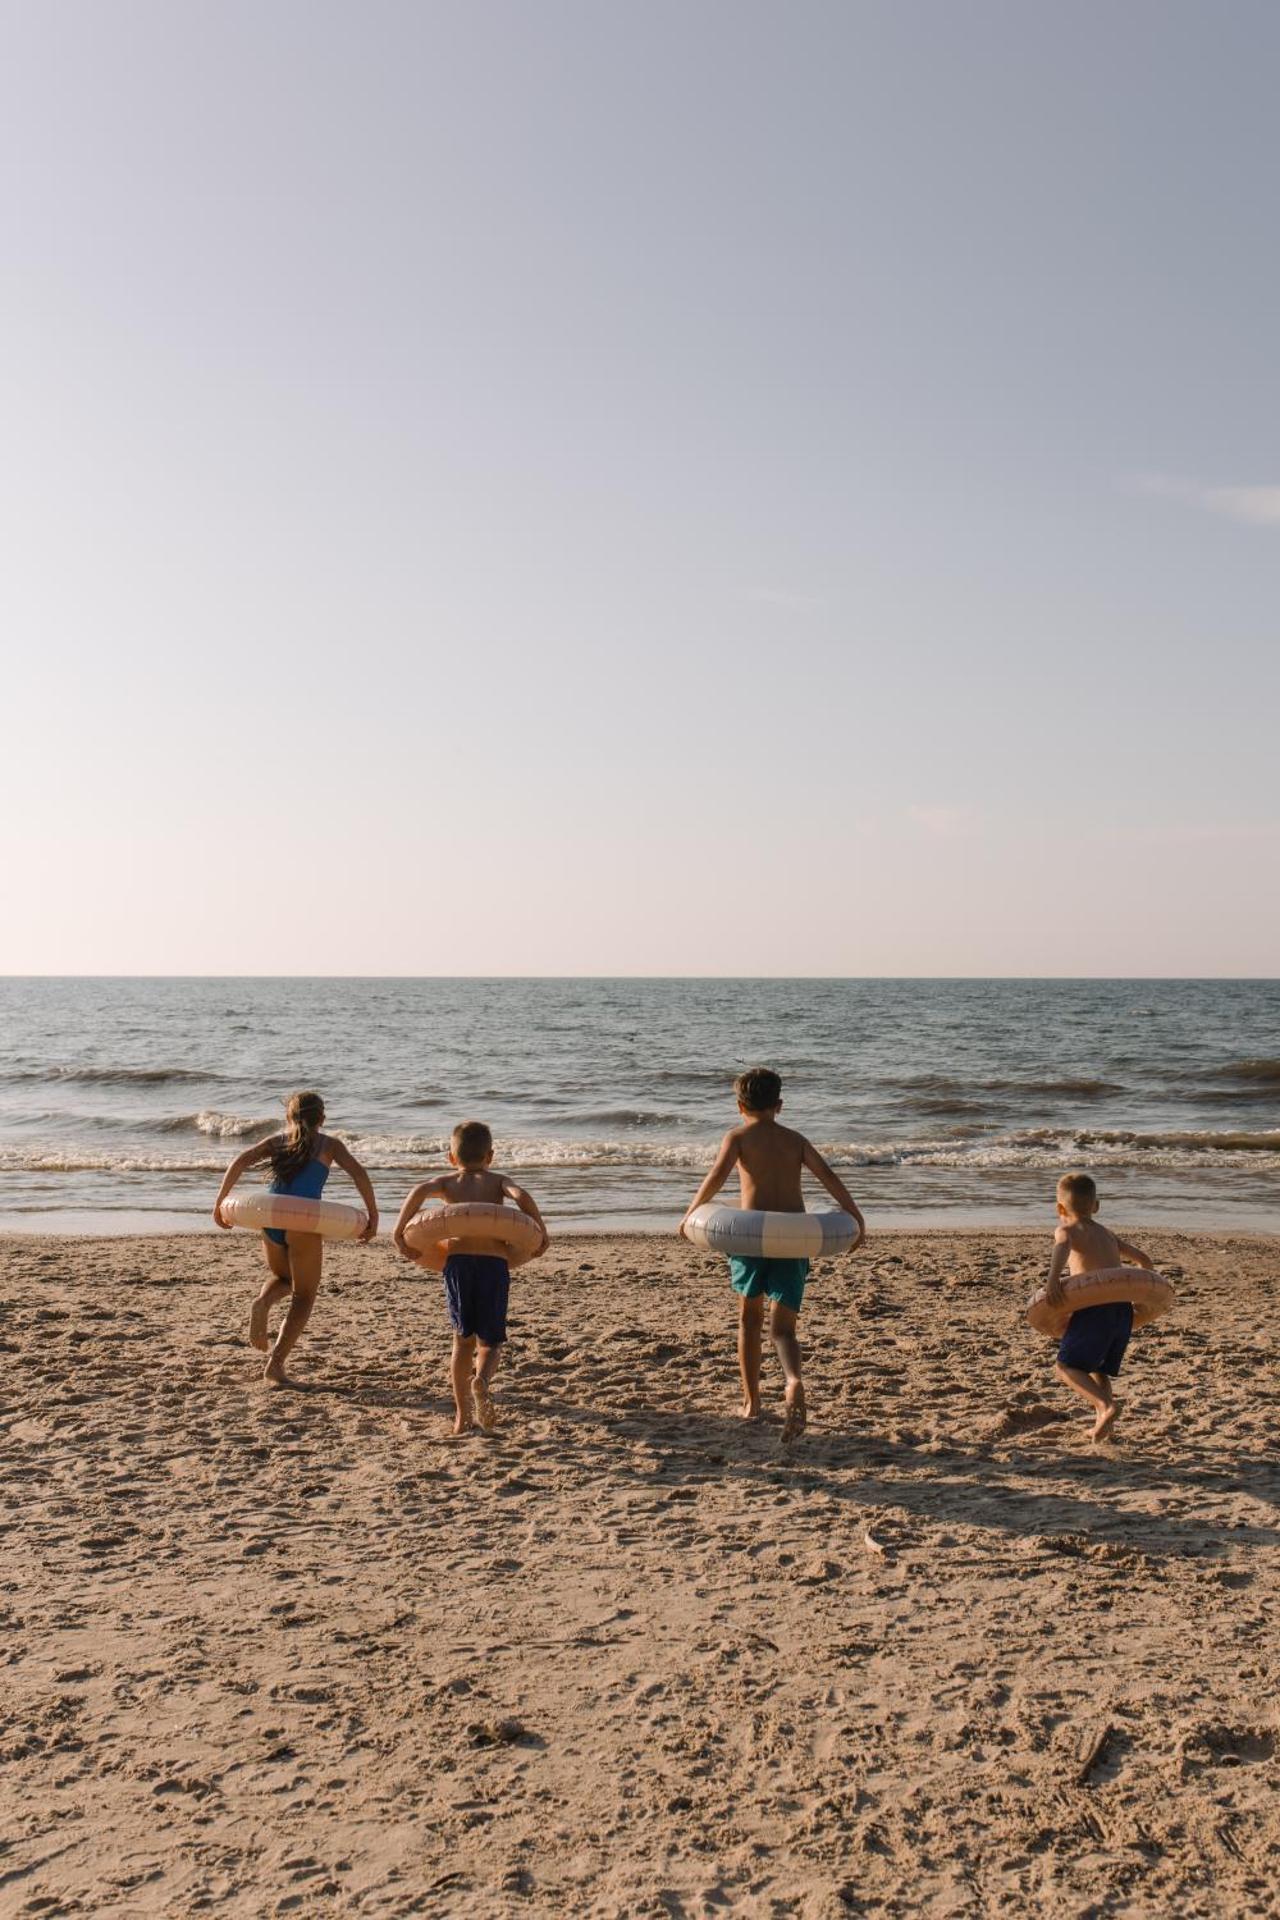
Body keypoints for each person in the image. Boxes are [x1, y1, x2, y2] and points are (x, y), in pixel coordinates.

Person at [679, 1066, 865, 1442]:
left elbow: (716, 1176)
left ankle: (752, 1403)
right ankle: (793, 1380)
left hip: (750, 1241)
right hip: (793, 1239)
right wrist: (856, 1217)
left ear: (739, 1105)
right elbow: (828, 1177)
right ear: (779, 1105)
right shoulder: (795, 1140)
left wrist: (690, 1213)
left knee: (749, 1321)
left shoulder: (737, 1136)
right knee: (783, 1330)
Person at [392, 1120, 548, 1435]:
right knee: (490, 1342)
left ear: (451, 1157)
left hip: (459, 1263)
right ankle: (483, 1380)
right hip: (494, 1264)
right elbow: (521, 1195)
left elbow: (418, 1191)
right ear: (490, 1155)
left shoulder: (447, 1183)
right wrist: (540, 1229)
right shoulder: (498, 1180)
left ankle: (462, 1416)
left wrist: (398, 1234)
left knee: (462, 1342)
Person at [213, 1090, 377, 1385]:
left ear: (288, 1117)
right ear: (323, 1119)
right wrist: (373, 1214)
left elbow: (240, 1160)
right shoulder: (330, 1144)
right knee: (304, 1295)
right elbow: (359, 1174)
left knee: (283, 1279)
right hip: (304, 1223)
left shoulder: (277, 1141)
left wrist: (220, 1202)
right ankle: (275, 1365)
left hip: (272, 1218)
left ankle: (262, 1302)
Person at [1045, 1170, 1155, 1442]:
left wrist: (1053, 1280)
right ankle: (1103, 1424)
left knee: (1065, 1367)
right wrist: (1143, 1296)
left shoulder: (1066, 1229)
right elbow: (1144, 1261)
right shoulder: (1108, 1234)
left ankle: (1106, 1407)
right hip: (1122, 1311)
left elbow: (1062, 1247)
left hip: (1094, 1309)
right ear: (1096, 1206)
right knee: (1099, 1368)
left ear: (1060, 1208)